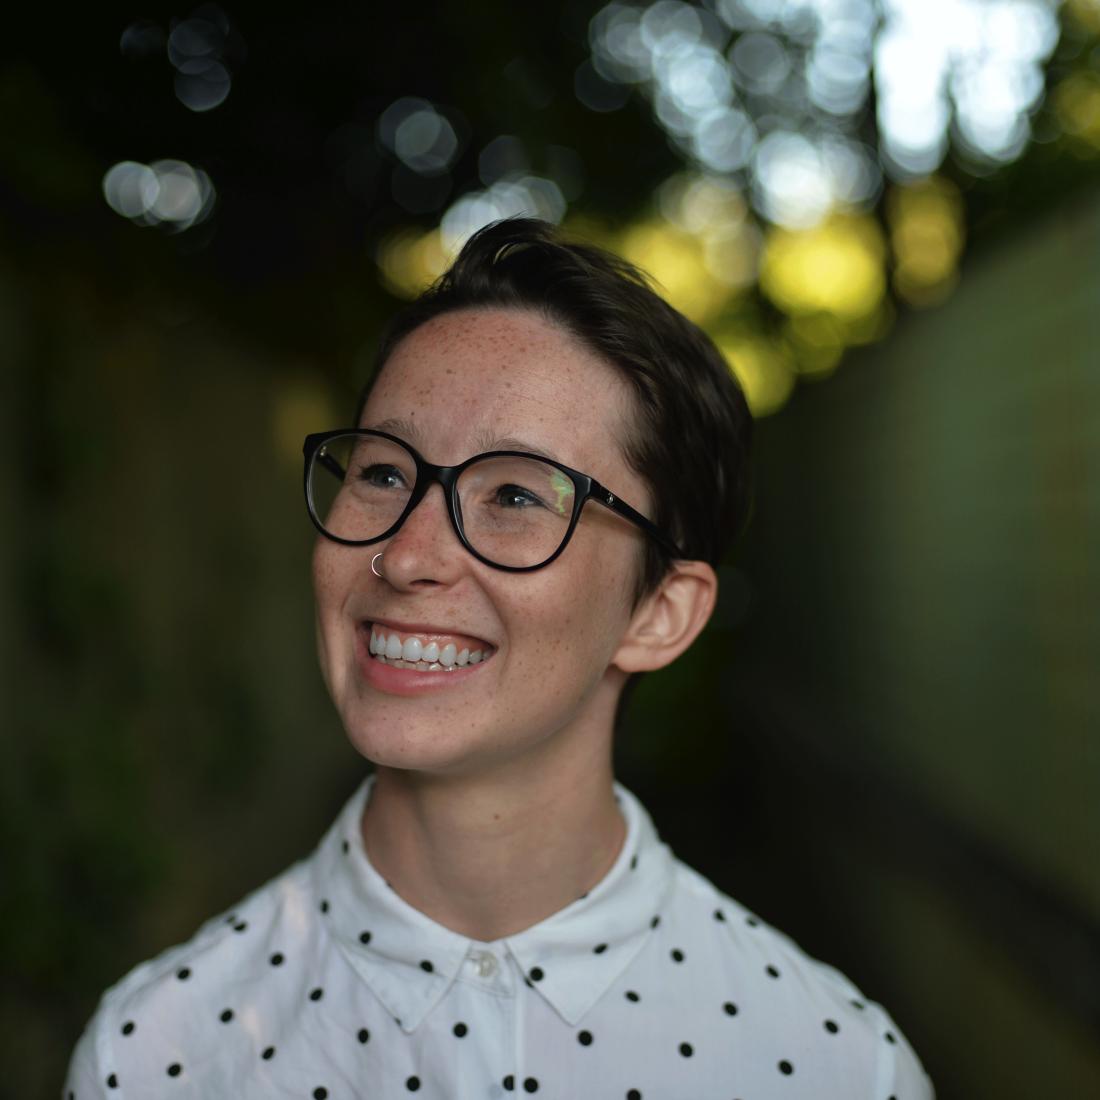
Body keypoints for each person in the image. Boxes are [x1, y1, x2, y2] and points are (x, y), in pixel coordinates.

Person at [65, 218, 933, 1099]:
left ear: (660, 614)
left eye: (515, 493)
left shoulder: (837, 1068)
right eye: (383, 474)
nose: (407, 557)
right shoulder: (151, 1057)